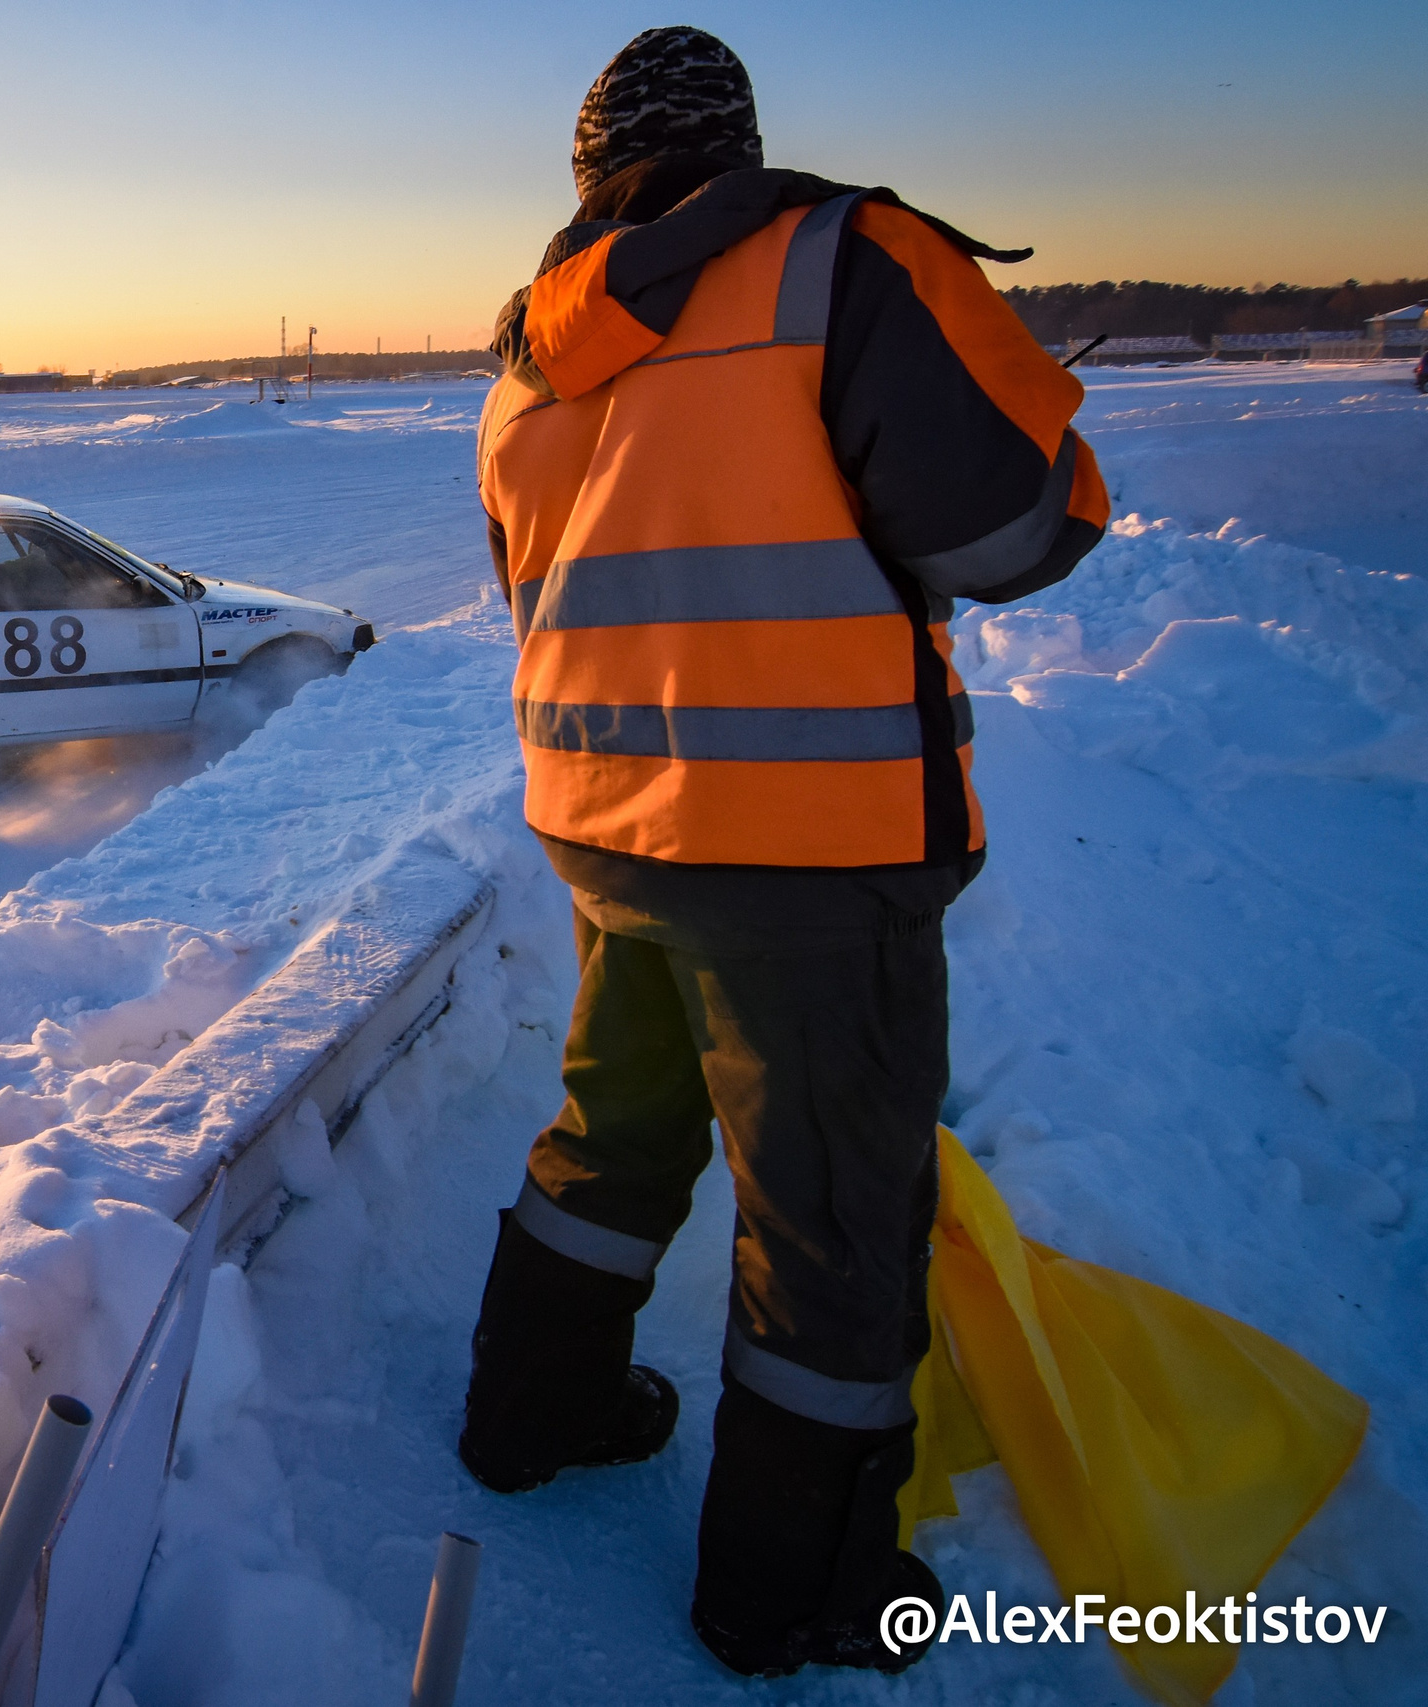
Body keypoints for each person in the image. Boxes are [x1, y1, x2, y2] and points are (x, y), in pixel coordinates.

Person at [464, 25, 1108, 1680]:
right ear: (736, 150)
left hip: (608, 831)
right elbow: (1011, 530)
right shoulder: (844, 259)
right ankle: (791, 1595)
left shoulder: (534, 347)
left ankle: (531, 1415)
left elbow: (537, 588)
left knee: (615, 1128)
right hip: (809, 848)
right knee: (832, 1221)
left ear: (592, 173)